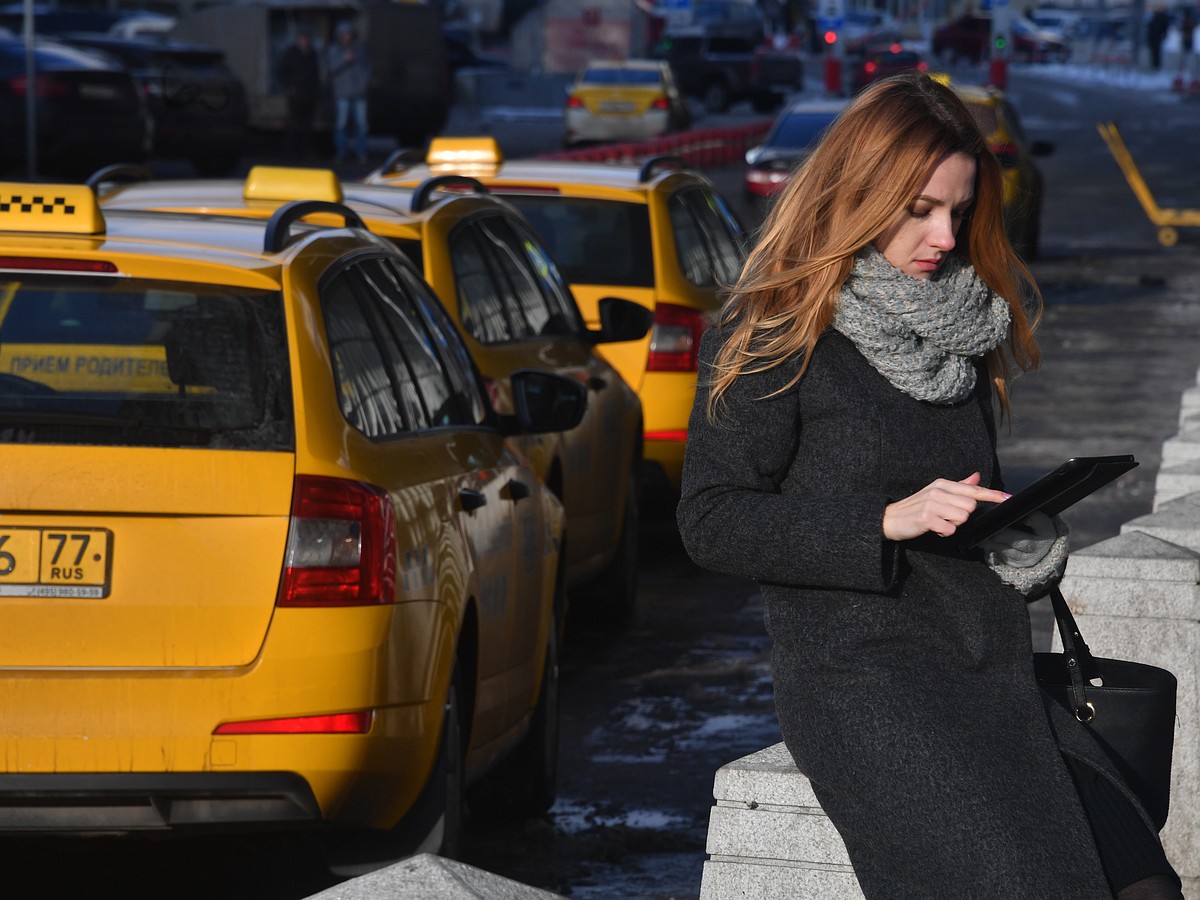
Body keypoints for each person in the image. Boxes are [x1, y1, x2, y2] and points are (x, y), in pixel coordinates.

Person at [676, 73, 1183, 899]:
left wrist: (1018, 531)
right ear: (858, 191)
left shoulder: (959, 325)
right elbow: (712, 521)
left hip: (991, 667)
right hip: (867, 684)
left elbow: (960, 489)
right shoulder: (776, 328)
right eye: (919, 210)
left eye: (958, 209)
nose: (944, 235)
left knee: (1146, 883)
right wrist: (884, 521)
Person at [327, 20, 371, 162]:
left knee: (362, 126)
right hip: (342, 94)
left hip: (359, 94)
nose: (347, 36)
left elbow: (367, 69)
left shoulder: (359, 50)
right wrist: (344, 60)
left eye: (349, 34)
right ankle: (341, 153)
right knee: (341, 125)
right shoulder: (335, 51)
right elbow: (331, 70)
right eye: (344, 34)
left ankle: (361, 153)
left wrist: (364, 84)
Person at [277, 28, 321, 159]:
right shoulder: (291, 53)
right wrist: (288, 87)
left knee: (307, 124)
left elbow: (315, 73)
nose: (305, 41)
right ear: (298, 39)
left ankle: (305, 151)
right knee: (294, 123)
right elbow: (281, 71)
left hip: (309, 93)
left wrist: (316, 89)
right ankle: (291, 151)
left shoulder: (312, 53)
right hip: (295, 94)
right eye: (302, 38)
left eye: (307, 38)